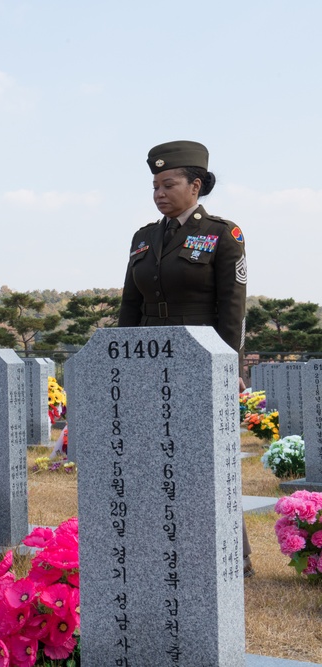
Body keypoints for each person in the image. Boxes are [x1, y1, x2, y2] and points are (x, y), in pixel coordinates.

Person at [118, 139, 252, 575]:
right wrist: (120, 360)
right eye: (154, 185)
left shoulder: (221, 235)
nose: (159, 192)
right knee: (150, 456)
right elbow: (129, 308)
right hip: (147, 359)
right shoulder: (143, 237)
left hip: (199, 359)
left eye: (168, 183)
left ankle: (235, 555)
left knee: (206, 460)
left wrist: (227, 365)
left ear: (196, 185)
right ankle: (161, 543)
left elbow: (232, 308)